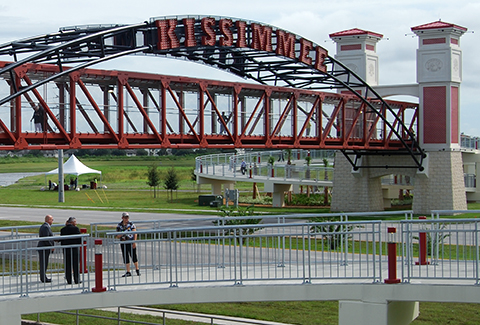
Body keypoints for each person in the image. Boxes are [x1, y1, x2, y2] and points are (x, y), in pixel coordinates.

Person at [116, 212, 140, 277]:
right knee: (125, 256)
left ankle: (137, 269)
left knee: (133, 255)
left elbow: (135, 232)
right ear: (122, 218)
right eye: (125, 218)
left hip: (130, 242)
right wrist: (122, 234)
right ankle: (128, 271)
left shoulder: (131, 224)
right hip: (123, 242)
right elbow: (117, 235)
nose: (126, 219)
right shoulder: (119, 225)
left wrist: (134, 242)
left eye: (127, 217)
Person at [60, 217, 81, 284]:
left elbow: (61, 239)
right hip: (75, 249)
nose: (76, 223)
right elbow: (79, 239)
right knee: (75, 265)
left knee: (67, 265)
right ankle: (76, 279)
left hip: (66, 249)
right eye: (75, 222)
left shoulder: (63, 230)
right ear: (72, 222)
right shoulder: (76, 229)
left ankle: (69, 279)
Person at [37, 215, 54, 283]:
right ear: (48, 220)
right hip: (44, 248)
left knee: (44, 263)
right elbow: (46, 239)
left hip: (44, 247)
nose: (52, 221)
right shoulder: (45, 227)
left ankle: (43, 277)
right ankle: (43, 278)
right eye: (52, 219)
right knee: (43, 263)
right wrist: (51, 246)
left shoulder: (46, 227)